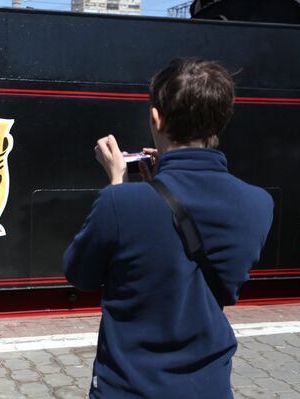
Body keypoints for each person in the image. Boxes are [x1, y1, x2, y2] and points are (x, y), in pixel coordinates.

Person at [63, 59, 273, 398]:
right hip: (208, 385)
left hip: (129, 387)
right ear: (221, 119)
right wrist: (160, 187)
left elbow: (80, 274)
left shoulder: (120, 203)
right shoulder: (259, 203)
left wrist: (116, 184)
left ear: (157, 118)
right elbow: (223, 287)